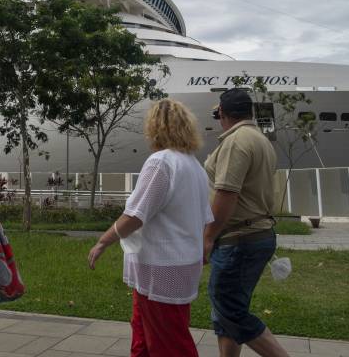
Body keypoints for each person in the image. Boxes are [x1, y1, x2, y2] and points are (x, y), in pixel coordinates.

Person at [88, 98, 213, 357]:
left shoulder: (161, 163)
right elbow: (204, 218)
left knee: (169, 343)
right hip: (181, 264)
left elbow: (135, 215)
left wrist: (103, 241)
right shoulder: (195, 167)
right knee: (144, 334)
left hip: (162, 268)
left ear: (155, 127)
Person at [203, 88, 289, 357]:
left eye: (217, 114)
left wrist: (208, 237)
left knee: (230, 310)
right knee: (227, 314)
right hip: (256, 233)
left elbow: (227, 192)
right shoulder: (260, 139)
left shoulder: (236, 141)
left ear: (223, 114)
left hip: (238, 238)